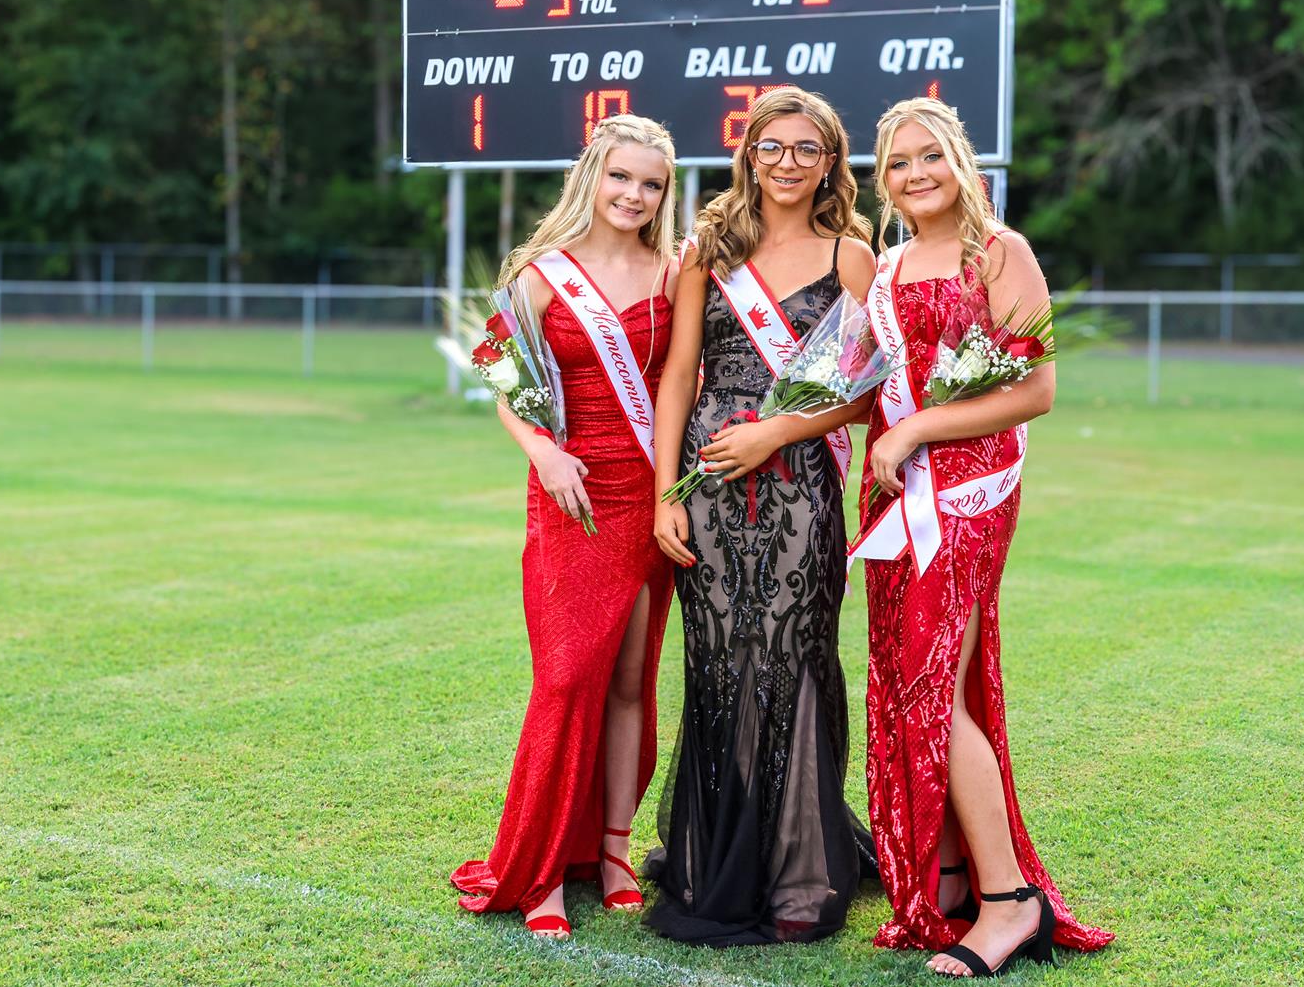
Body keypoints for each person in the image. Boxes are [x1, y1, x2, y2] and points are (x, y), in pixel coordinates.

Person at [856, 98, 1114, 976]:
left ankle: (1008, 905)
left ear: (960, 161)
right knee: (910, 681)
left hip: (967, 492)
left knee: (932, 683)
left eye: (930, 155)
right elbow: (866, 383)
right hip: (894, 492)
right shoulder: (884, 270)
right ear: (883, 181)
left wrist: (916, 431)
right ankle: (956, 878)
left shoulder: (1001, 254)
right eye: (897, 163)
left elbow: (1035, 391)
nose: (915, 173)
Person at [646, 86, 878, 945]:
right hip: (707, 486)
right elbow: (677, 376)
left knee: (795, 661)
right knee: (717, 668)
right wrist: (663, 492)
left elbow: (869, 393)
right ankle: (717, 865)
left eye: (805, 149)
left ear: (829, 164)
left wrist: (779, 429)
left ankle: (799, 870)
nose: (787, 162)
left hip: (800, 489)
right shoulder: (711, 249)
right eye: (772, 147)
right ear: (749, 155)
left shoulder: (852, 257)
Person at [451, 115, 681, 940]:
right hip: (571, 493)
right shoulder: (541, 274)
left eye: (651, 183)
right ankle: (541, 867)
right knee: (565, 677)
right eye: (621, 177)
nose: (634, 195)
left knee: (630, 679)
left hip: (648, 495)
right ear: (593, 178)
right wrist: (542, 451)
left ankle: (614, 850)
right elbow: (496, 371)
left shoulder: (674, 273)